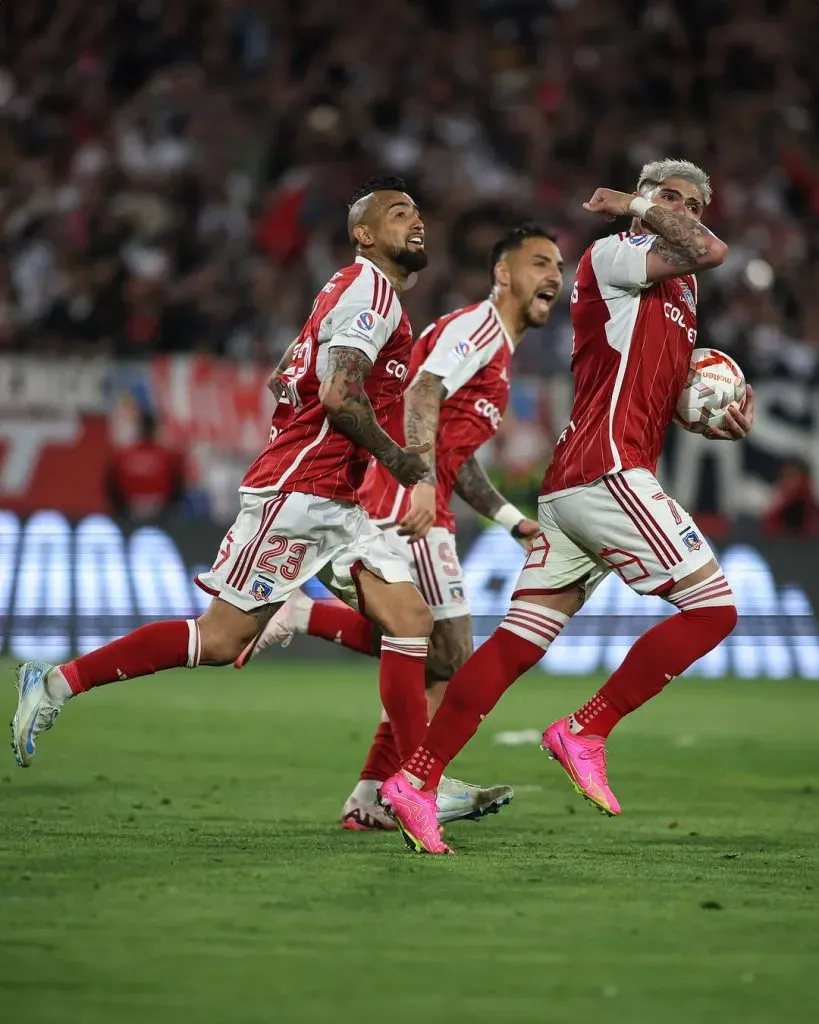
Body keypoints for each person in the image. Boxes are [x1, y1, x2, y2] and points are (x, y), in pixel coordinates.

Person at [376, 158, 757, 855]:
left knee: (517, 644)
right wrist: (638, 205)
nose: (675, 208)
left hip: (579, 480)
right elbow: (705, 246)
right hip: (608, 472)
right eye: (665, 196)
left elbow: (654, 385)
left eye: (689, 202)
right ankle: (586, 727)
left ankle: (415, 781)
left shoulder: (683, 289)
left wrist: (710, 410)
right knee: (715, 608)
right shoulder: (617, 254)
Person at [11, 176, 436, 770]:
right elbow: (341, 397)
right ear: (363, 235)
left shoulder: (348, 290)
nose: (416, 221)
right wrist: (400, 461)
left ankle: (415, 782)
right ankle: (55, 683)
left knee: (412, 621)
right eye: (398, 213)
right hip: (301, 492)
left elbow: (284, 374)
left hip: (337, 495)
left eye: (417, 212)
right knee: (218, 640)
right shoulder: (369, 291)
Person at [236, 225, 565, 832]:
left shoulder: (498, 351)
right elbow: (421, 391)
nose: (554, 276)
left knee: (440, 655)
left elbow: (457, 458)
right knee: (443, 651)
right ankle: (407, 781)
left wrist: (511, 520)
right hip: (403, 498)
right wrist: (417, 481)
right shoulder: (479, 328)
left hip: (427, 499)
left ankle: (372, 797)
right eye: (539, 262)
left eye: (558, 266)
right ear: (502, 274)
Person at [106, 410, 186, 521]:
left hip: (131, 510)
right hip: (159, 511)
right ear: (154, 429)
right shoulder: (168, 455)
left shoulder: (122, 455)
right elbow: (178, 486)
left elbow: (111, 486)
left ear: (139, 429)